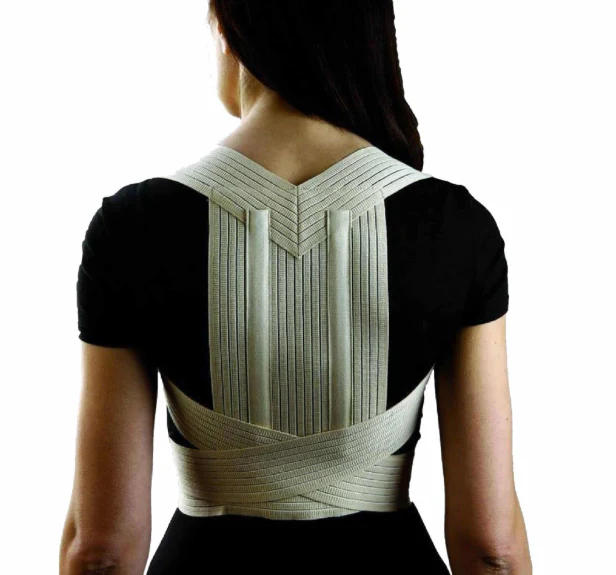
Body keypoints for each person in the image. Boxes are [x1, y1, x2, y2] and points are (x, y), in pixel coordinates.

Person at [59, 1, 532, 574]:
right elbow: (491, 548)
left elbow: (102, 550)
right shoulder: (456, 228)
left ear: (228, 31)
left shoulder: (132, 229)